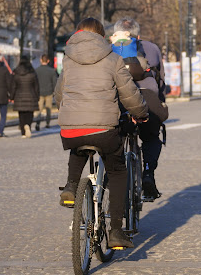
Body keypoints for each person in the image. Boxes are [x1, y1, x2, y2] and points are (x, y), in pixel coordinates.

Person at [54, 17, 148, 248]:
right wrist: (141, 112)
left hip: (71, 128)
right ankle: (116, 230)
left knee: (78, 147)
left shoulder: (68, 59)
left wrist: (70, 115)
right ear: (101, 37)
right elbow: (128, 94)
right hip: (104, 129)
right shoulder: (112, 58)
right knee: (117, 171)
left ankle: (70, 187)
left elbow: (59, 94)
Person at [111, 17, 168, 199]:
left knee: (115, 139)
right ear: (138, 35)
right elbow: (160, 80)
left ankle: (110, 178)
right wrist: (160, 101)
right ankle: (148, 174)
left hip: (119, 99)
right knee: (151, 137)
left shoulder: (109, 49)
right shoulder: (151, 48)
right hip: (147, 96)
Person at [10, 56, 40, 138]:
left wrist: (11, 97)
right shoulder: (32, 73)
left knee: (21, 114)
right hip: (31, 96)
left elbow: (13, 86)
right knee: (30, 114)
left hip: (19, 96)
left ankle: (23, 132)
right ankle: (28, 125)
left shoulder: (16, 73)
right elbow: (36, 86)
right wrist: (37, 96)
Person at [35, 54, 58, 131]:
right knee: (48, 108)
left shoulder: (37, 70)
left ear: (41, 60)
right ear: (48, 61)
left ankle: (37, 122)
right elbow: (55, 82)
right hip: (49, 92)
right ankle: (47, 123)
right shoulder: (52, 71)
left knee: (39, 108)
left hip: (39, 92)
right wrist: (55, 92)